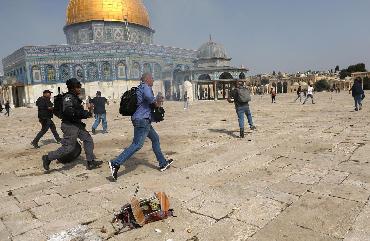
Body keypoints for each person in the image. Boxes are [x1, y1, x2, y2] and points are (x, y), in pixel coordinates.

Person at [108, 73, 173, 181]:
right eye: (152, 78)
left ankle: (162, 163)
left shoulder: (140, 88)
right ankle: (115, 163)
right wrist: (159, 100)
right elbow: (152, 101)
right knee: (137, 144)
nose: (153, 80)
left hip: (143, 120)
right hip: (142, 120)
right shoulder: (145, 87)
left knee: (155, 139)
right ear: (147, 79)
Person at [42, 78, 103, 171]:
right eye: (78, 87)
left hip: (77, 124)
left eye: (79, 87)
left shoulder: (75, 97)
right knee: (69, 147)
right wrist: (84, 114)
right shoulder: (68, 98)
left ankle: (90, 162)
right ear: (72, 88)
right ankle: (48, 157)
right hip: (70, 126)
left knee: (88, 140)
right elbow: (69, 112)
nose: (79, 89)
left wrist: (88, 111)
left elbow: (77, 110)